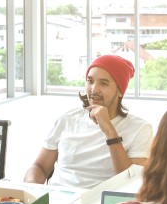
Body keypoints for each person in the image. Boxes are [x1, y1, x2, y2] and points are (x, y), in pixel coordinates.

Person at [24, 54, 152, 189]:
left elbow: (132, 184)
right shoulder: (68, 119)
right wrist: (31, 188)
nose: (94, 89)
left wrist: (109, 130)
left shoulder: (140, 129)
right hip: (58, 200)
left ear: (120, 91)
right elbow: (40, 167)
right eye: (90, 81)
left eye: (103, 83)